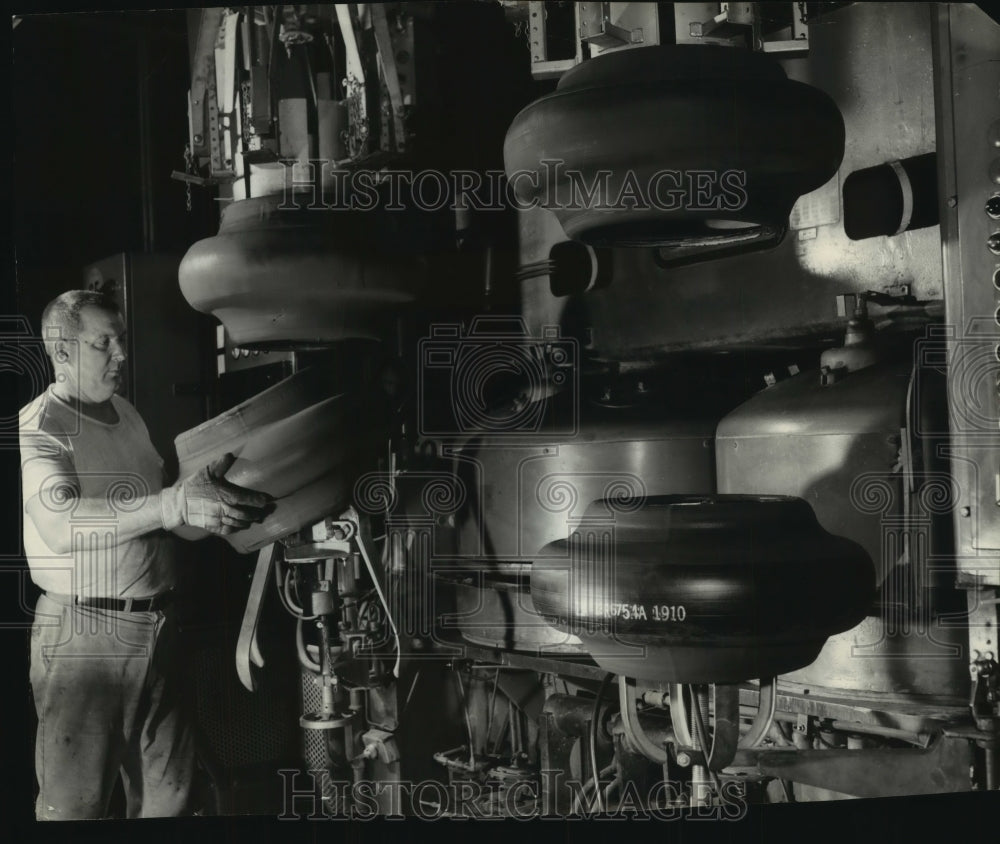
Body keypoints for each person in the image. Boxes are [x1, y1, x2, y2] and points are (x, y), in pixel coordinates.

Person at [19, 290, 272, 820]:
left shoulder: (126, 413)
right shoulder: (41, 427)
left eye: (123, 340)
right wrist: (175, 502)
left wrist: (228, 510)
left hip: (159, 626)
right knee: (74, 807)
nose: (121, 355)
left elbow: (165, 513)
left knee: (169, 795)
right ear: (61, 351)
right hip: (85, 638)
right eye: (103, 343)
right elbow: (63, 525)